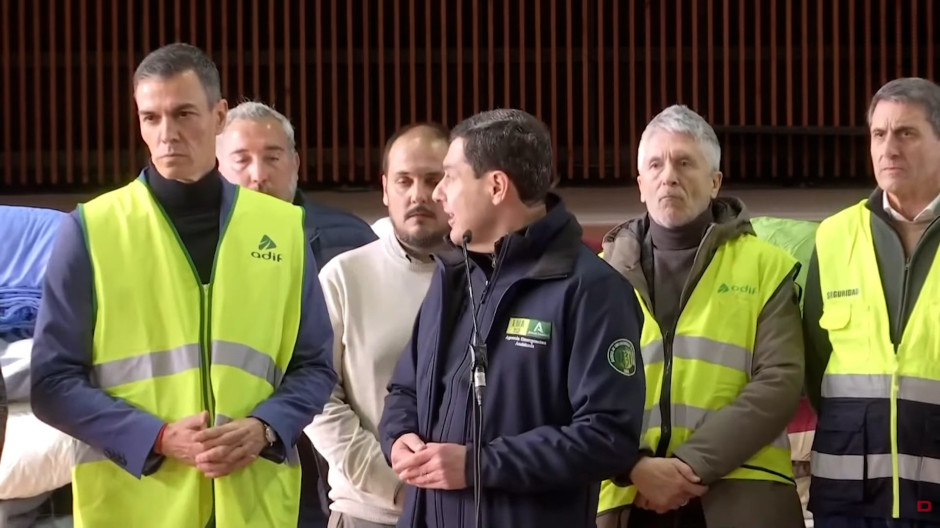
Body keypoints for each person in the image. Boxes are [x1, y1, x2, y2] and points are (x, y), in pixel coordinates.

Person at [29, 43, 337, 528]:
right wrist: (157, 437)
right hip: (133, 508)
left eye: (183, 114)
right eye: (150, 117)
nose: (166, 133)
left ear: (219, 116)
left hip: (252, 503)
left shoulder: (282, 229)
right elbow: (51, 384)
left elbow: (314, 366)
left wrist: (265, 427)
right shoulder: (91, 229)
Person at [378, 108, 646, 528]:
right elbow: (405, 389)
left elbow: (607, 437)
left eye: (450, 177)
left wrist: (478, 466)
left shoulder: (592, 291)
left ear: (497, 186)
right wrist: (398, 439)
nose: (439, 194)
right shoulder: (452, 278)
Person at [597, 104, 805, 528]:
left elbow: (779, 382)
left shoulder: (766, 266)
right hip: (628, 496)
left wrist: (689, 466)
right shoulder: (599, 275)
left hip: (743, 498)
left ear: (715, 182)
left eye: (684, 162)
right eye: (655, 165)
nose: (668, 176)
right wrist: (633, 466)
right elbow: (576, 391)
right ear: (640, 185)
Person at [804, 77, 940, 528]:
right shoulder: (834, 235)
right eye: (879, 134)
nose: (888, 148)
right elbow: (815, 361)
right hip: (848, 498)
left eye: (906, 133)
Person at [306, 123, 451, 528]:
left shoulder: (489, 278)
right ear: (386, 189)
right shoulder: (343, 277)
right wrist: (394, 486)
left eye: (433, 179)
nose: (418, 194)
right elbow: (317, 398)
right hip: (368, 512)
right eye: (404, 181)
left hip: (469, 510)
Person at [217, 101, 377, 269]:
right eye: (241, 160)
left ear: (295, 164)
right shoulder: (199, 244)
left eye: (272, 158)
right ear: (216, 169)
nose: (259, 175)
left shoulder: (352, 239)